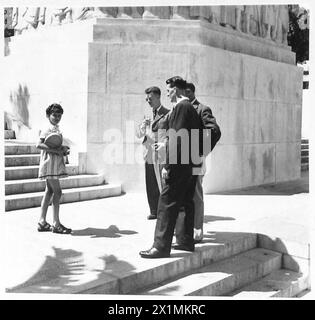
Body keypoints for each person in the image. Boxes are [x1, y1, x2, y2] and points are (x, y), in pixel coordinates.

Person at [139, 76, 201, 258]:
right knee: (186, 202)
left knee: (166, 203)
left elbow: (177, 138)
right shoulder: (189, 107)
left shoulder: (182, 107)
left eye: (169, 90)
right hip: (190, 163)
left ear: (177, 90)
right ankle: (186, 240)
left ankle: (160, 246)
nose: (167, 93)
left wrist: (168, 165)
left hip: (179, 164)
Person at [184, 82, 221, 243]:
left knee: (196, 194)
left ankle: (197, 229)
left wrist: (202, 153)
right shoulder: (181, 108)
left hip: (196, 158)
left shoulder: (202, 109)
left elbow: (214, 131)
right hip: (183, 159)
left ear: (190, 92)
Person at [36, 103, 72, 234]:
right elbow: (38, 145)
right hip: (49, 163)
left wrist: (62, 149)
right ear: (48, 115)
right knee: (58, 192)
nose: (57, 118)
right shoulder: (47, 128)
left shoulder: (55, 128)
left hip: (53, 162)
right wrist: (56, 151)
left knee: (49, 191)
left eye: (59, 115)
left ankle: (42, 221)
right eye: (54, 115)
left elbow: (54, 145)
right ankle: (56, 224)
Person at [136, 87, 169, 220]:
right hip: (148, 154)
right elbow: (138, 135)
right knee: (150, 183)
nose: (148, 101)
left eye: (150, 98)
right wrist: (142, 127)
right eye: (146, 99)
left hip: (160, 154)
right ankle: (154, 210)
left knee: (162, 183)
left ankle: (163, 211)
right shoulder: (147, 115)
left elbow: (170, 134)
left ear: (158, 97)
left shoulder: (167, 114)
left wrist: (165, 144)